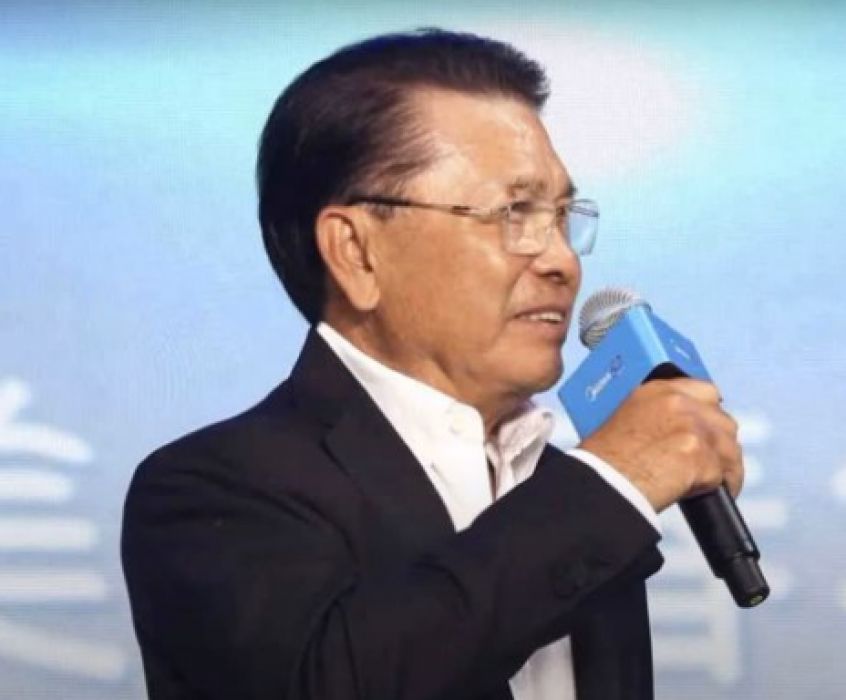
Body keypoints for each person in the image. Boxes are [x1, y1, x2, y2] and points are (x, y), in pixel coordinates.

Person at [122, 28, 743, 700]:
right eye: (514, 213)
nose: (563, 261)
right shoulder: (209, 490)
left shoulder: (565, 491)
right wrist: (616, 481)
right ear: (357, 252)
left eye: (564, 216)